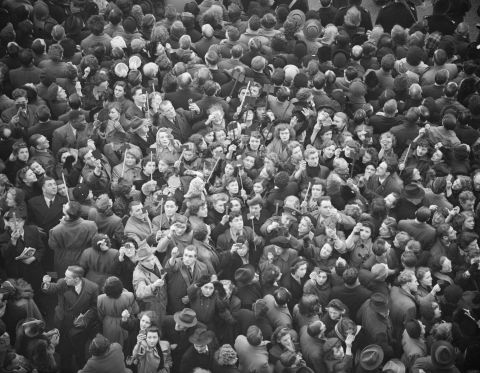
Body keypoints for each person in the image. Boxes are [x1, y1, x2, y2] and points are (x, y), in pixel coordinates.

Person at [41, 265, 99, 373]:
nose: (64, 278)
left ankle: (82, 367)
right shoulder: (63, 283)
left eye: (67, 277)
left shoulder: (92, 287)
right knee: (64, 351)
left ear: (77, 279)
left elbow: (94, 307)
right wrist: (46, 284)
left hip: (80, 325)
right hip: (63, 322)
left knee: (79, 350)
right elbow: (52, 288)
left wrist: (86, 318)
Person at [48, 200, 97, 276]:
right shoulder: (91, 225)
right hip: (84, 259)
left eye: (66, 206)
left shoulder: (56, 230)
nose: (64, 205)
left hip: (64, 261)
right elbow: (94, 242)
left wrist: (62, 223)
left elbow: (52, 246)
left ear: (67, 215)